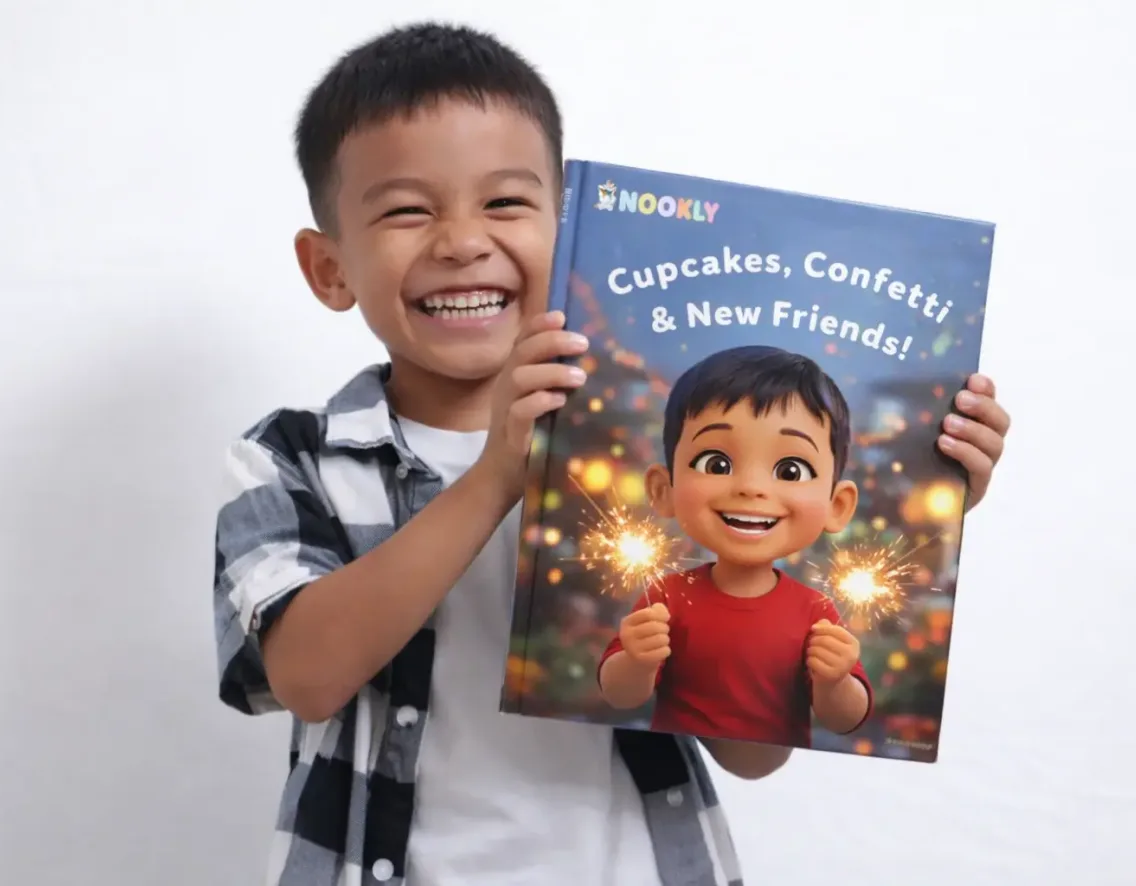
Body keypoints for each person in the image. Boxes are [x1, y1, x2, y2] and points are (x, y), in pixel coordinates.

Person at [211, 21, 1014, 886]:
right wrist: (496, 476)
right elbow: (306, 677)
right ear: (329, 268)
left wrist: (919, 520)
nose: (461, 242)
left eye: (504, 203)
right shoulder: (292, 456)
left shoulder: (649, 467)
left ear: (569, 231)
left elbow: (749, 756)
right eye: (408, 210)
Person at [598, 345, 873, 749]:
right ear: (663, 489)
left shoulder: (815, 611)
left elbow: (844, 719)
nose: (751, 487)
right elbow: (620, 697)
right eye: (716, 464)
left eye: (790, 471)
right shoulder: (667, 597)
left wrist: (836, 681)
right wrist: (636, 661)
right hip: (681, 757)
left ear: (837, 505)